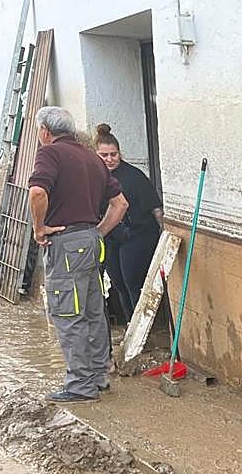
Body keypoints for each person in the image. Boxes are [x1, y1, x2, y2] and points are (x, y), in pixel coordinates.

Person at [27, 106, 128, 402]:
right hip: (91, 242)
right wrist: (98, 232)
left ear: (45, 131)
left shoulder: (50, 153)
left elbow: (37, 192)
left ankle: (80, 385)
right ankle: (98, 376)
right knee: (93, 311)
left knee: (67, 312)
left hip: (66, 243)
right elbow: (120, 204)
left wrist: (39, 228)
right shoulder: (91, 158)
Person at [94, 123, 163, 320]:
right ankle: (130, 326)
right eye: (104, 155)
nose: (109, 159)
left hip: (137, 235)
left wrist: (161, 231)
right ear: (96, 155)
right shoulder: (94, 176)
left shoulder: (134, 176)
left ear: (119, 153)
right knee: (119, 285)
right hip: (110, 237)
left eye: (113, 154)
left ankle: (144, 328)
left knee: (133, 282)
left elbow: (156, 208)